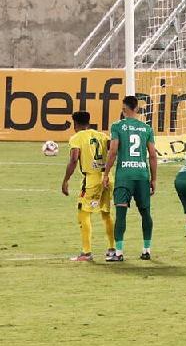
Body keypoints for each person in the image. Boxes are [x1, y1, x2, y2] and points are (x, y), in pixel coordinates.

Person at [103, 95, 157, 262]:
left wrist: (106, 174)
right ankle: (146, 250)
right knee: (145, 213)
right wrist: (153, 179)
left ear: (124, 109)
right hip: (142, 176)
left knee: (121, 213)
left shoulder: (117, 126)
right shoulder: (147, 129)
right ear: (137, 109)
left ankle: (118, 253)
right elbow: (153, 155)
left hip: (124, 176)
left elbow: (112, 151)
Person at [61, 111, 116, 262]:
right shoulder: (102, 136)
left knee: (84, 213)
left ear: (75, 124)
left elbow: (73, 160)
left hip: (91, 180)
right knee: (106, 213)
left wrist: (66, 180)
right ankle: (112, 249)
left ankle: (86, 252)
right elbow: (114, 149)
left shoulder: (76, 138)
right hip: (107, 178)